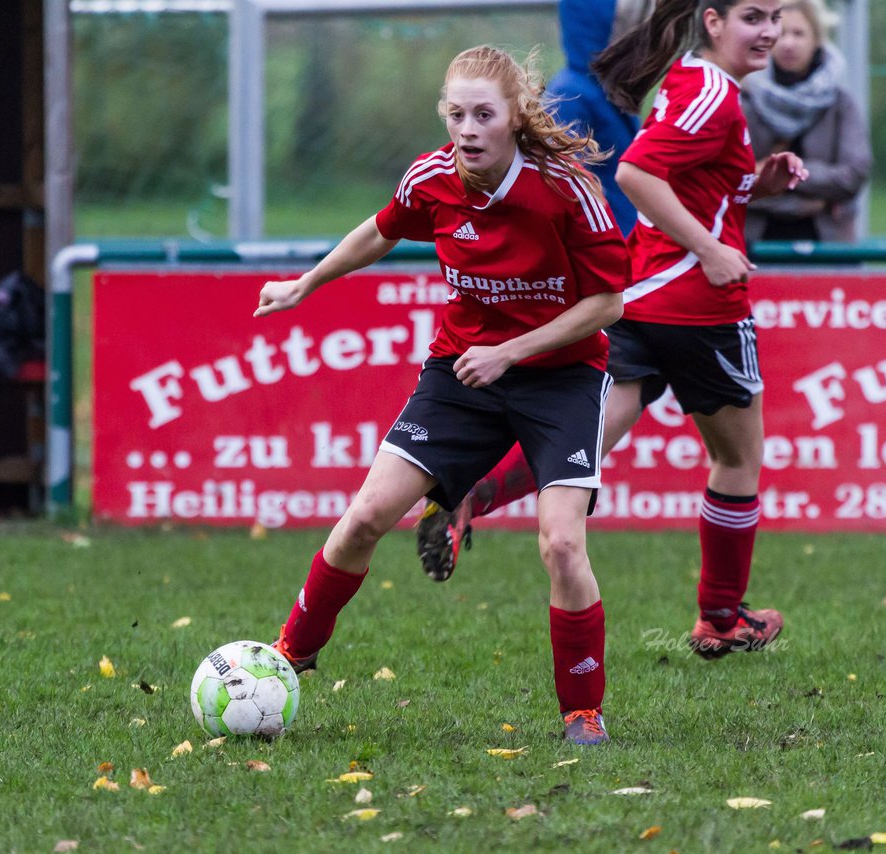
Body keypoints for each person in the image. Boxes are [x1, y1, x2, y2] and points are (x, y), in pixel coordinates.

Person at [257, 45, 632, 745]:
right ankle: (290, 654)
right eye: (455, 113)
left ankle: (583, 711)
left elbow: (610, 302)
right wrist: (306, 282)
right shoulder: (432, 177)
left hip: (561, 378)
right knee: (367, 514)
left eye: (483, 114)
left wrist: (512, 352)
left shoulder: (565, 187)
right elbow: (380, 229)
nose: (467, 128)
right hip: (462, 375)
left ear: (513, 117)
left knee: (560, 544)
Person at [417, 0, 808, 660]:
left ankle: (471, 497)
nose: (768, 30)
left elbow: (688, 183)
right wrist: (710, 252)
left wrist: (753, 185)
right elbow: (637, 172)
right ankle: (720, 618)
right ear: (712, 21)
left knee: (588, 440)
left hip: (641, 294)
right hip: (701, 308)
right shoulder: (713, 91)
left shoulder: (687, 77)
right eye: (753, 16)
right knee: (738, 459)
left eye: (775, 16)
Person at [740, 0, 871, 242]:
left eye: (799, 33)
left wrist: (776, 173)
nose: (788, 43)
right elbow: (731, 180)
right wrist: (815, 198)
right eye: (781, 34)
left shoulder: (840, 103)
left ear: (817, 40)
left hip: (827, 249)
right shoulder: (744, 100)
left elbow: (853, 175)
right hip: (752, 247)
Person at [545, 0, 656, 234]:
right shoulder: (570, 95)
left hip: (625, 241)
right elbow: (565, 191)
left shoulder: (609, 90)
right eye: (623, 24)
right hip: (603, 249)